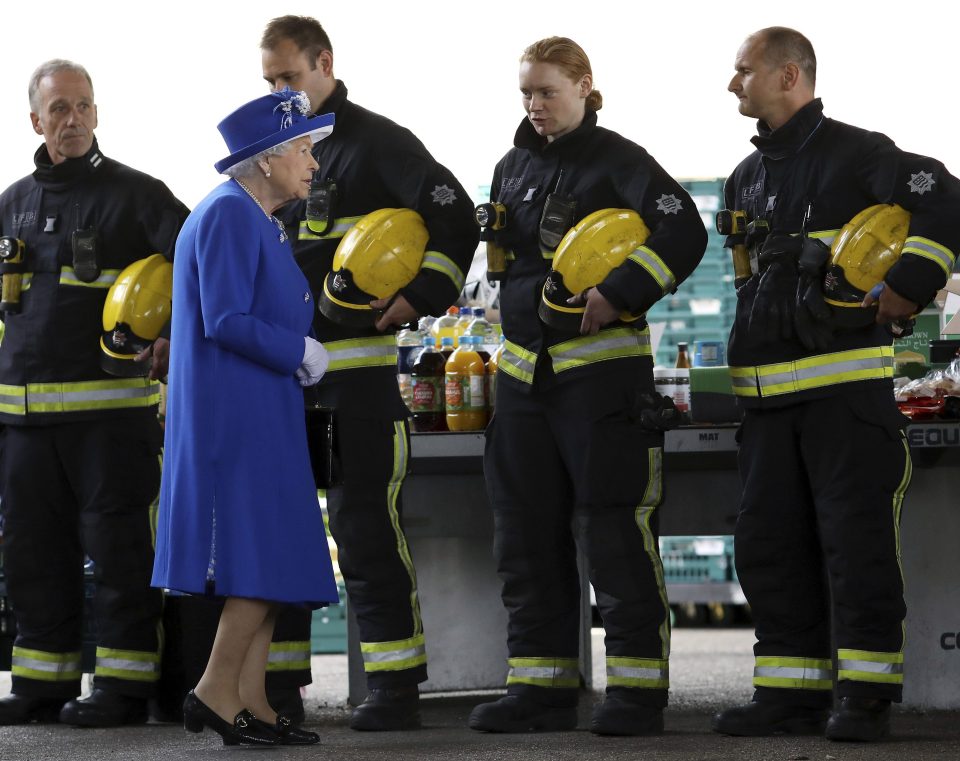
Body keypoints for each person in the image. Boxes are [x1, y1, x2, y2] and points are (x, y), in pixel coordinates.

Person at [713, 27, 960, 742]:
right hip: (765, 405)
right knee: (768, 546)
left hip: (844, 398)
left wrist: (906, 286)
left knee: (854, 548)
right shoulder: (745, 177)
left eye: (743, 72)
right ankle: (788, 694)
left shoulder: (861, 155)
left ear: (789, 76)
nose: (733, 85)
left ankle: (865, 695)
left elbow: (946, 203)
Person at [468, 37, 706, 736]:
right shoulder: (510, 168)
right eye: (526, 94)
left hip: (601, 384)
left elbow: (683, 230)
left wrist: (622, 290)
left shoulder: (622, 162)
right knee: (525, 536)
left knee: (614, 532)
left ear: (584, 86)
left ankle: (636, 693)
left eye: (547, 91)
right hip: (521, 385)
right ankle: (539, 687)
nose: (535, 106)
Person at [260, 15, 478, 731]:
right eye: (269, 83)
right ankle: (279, 688)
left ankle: (393, 684)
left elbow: (455, 221)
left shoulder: (380, 143)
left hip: (356, 379)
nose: (280, 93)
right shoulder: (273, 150)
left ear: (324, 63)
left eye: (288, 78)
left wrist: (419, 297)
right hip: (282, 381)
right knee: (282, 534)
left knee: (365, 530)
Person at [0, 60, 188, 727]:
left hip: (112, 423)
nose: (72, 119)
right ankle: (40, 681)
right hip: (23, 426)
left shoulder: (138, 195)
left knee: (120, 555)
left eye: (82, 106)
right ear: (36, 120)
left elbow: (197, 267)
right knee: (32, 554)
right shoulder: (11, 204)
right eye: (59, 109)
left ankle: (123, 685)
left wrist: (171, 336)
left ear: (96, 113)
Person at [150, 87, 339, 747]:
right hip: (239, 418)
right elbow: (226, 318)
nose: (314, 162)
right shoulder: (230, 215)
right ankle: (212, 690)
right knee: (259, 560)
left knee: (271, 560)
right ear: (264, 158)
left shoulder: (252, 216)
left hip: (260, 409)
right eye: (305, 148)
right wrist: (299, 350)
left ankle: (250, 700)